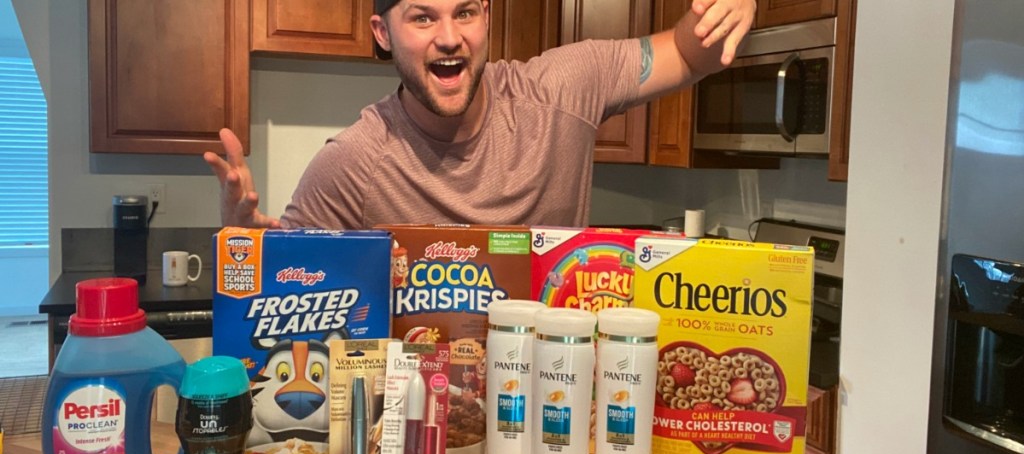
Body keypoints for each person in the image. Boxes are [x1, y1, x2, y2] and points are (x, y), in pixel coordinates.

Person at [206, 0, 755, 230]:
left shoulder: (563, 90)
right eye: (422, 17)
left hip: (556, 416)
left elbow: (685, 52)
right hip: (421, 437)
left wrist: (730, 7)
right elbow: (284, 283)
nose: (450, 38)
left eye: (465, 11)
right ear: (383, 33)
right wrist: (246, 241)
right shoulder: (354, 163)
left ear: (486, 16)